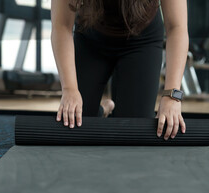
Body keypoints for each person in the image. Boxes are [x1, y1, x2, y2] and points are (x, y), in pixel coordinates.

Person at [51, 0, 188, 140]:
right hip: (90, 39)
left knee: (133, 134)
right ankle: (102, 110)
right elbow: (61, 26)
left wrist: (172, 96)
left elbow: (176, 27)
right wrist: (70, 89)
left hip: (142, 42)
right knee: (73, 125)